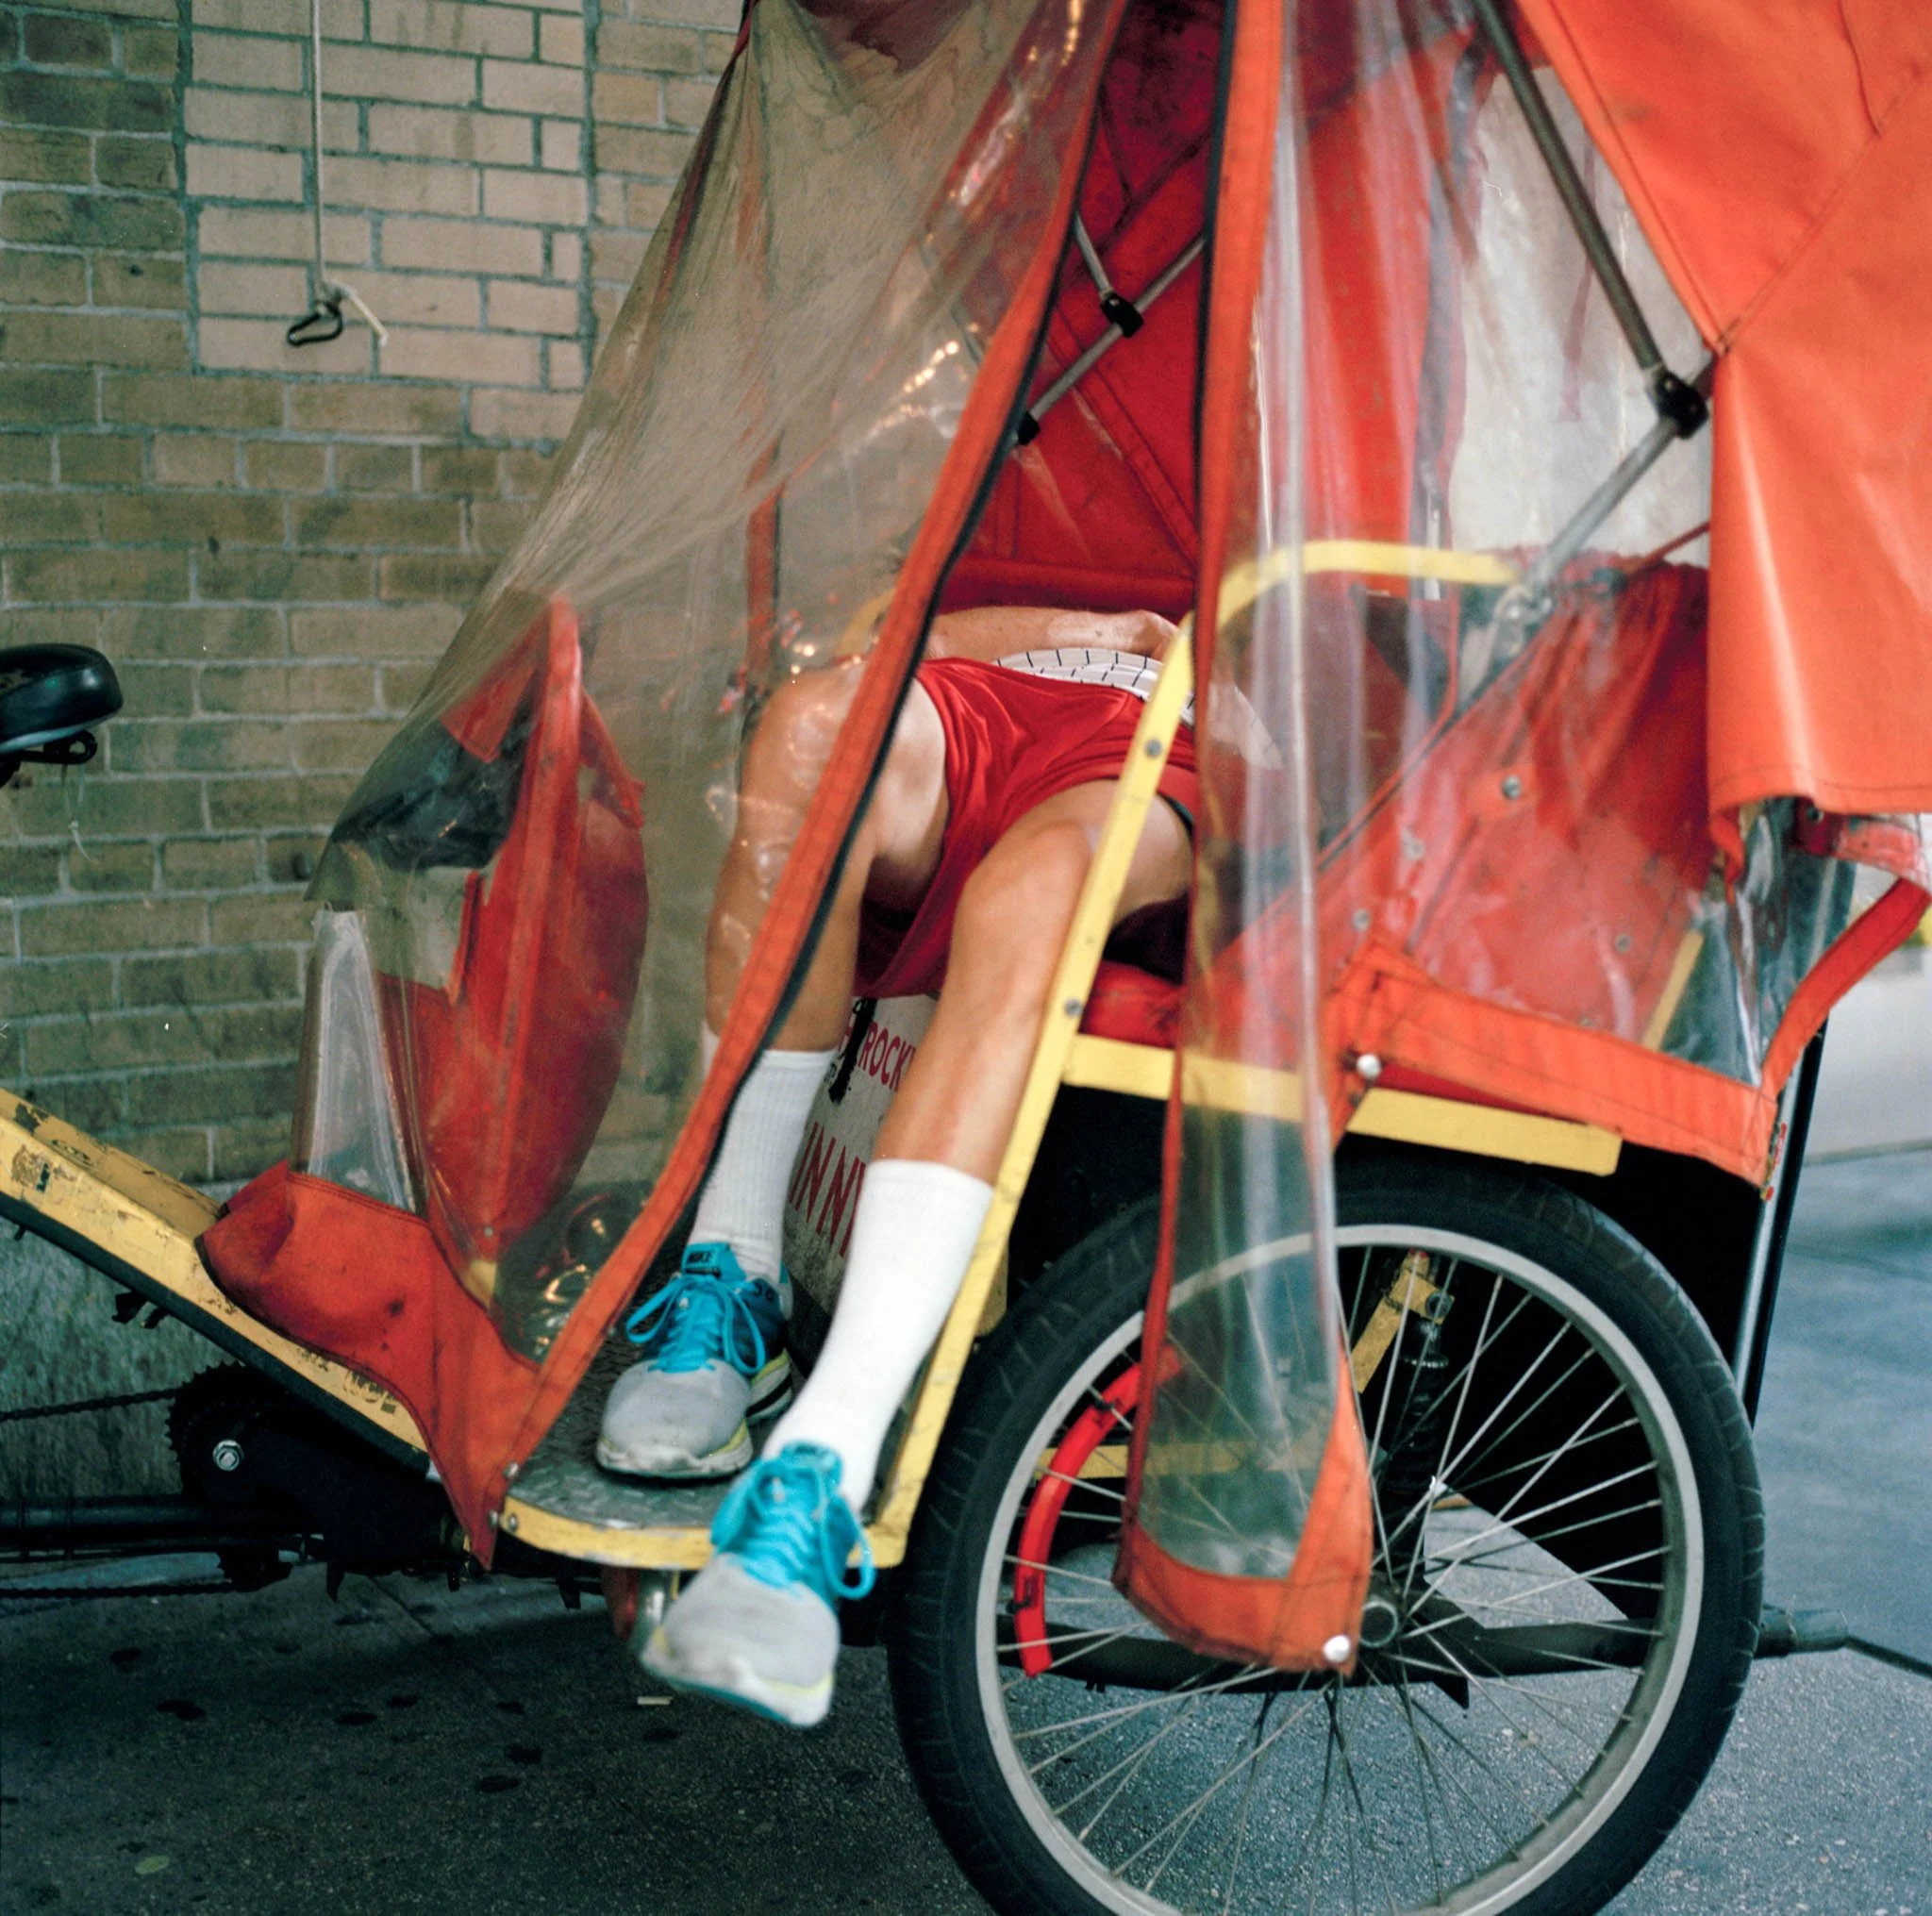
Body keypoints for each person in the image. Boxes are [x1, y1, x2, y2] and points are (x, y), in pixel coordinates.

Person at [597, 604, 1197, 1726]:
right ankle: (736, 1280)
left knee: (1029, 890)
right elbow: (891, 625)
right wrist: (1100, 626)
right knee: (812, 727)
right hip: (1020, 697)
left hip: (1180, 753)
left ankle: (816, 1480)